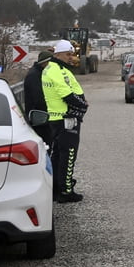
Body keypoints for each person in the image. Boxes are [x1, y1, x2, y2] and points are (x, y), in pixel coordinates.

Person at [42, 38, 89, 203]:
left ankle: (56, 188)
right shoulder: (55, 70)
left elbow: (73, 90)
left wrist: (81, 102)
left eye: (72, 54)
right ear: (59, 54)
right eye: (69, 54)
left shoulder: (57, 68)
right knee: (68, 155)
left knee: (58, 155)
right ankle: (66, 191)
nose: (71, 57)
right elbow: (67, 95)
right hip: (65, 118)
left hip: (58, 118)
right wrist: (83, 105)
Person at [23, 48, 57, 153]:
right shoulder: (35, 76)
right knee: (45, 148)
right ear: (45, 62)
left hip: (42, 117)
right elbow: (39, 99)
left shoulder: (40, 73)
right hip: (39, 119)